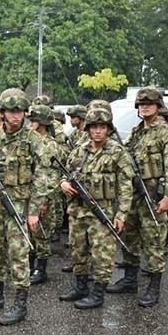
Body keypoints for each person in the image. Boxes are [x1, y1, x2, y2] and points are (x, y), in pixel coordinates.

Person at [0, 88, 51, 326]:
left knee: (18, 252)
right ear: (2, 112)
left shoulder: (32, 139)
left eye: (20, 111)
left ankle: (21, 303)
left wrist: (34, 210)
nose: (16, 115)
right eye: (12, 111)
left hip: (19, 205)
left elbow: (42, 176)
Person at [106, 88, 168, 308]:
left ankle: (153, 286)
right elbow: (122, 155)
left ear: (158, 106)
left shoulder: (166, 133)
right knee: (130, 236)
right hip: (134, 194)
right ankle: (130, 279)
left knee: (154, 240)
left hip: (154, 195)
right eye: (141, 104)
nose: (144, 107)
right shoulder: (136, 132)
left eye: (149, 103)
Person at [58, 108, 133, 309]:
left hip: (103, 211)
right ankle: (81, 286)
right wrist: (63, 183)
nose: (98, 131)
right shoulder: (80, 150)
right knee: (78, 250)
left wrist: (122, 214)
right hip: (77, 211)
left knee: (102, 253)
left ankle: (98, 293)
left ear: (108, 129)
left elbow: (126, 186)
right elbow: (66, 171)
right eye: (94, 127)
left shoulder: (118, 152)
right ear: (88, 129)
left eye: (102, 127)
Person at [25, 105, 67, 285]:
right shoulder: (30, 139)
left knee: (41, 233)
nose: (32, 123)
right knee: (29, 232)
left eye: (35, 120)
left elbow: (48, 177)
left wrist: (43, 201)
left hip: (44, 194)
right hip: (28, 193)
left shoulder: (49, 144)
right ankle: (30, 265)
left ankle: (40, 269)